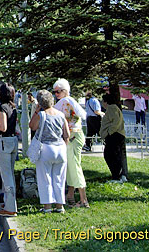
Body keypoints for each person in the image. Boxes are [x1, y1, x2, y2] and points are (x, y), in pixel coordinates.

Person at [29, 90, 70, 213]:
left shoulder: (41, 115)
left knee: (44, 178)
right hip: (60, 148)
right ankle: (60, 206)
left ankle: (47, 206)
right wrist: (64, 146)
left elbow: (32, 126)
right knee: (59, 178)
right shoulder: (60, 114)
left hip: (46, 148)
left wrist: (37, 110)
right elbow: (66, 134)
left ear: (40, 103)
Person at [53, 78, 89, 208]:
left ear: (65, 91)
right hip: (75, 136)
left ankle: (83, 199)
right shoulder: (70, 101)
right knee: (71, 166)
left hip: (72, 137)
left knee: (74, 167)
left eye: (58, 91)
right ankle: (71, 195)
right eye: (55, 92)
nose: (56, 94)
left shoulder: (65, 102)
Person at [0, 83, 19, 217]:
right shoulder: (13, 107)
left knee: (5, 175)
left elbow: (3, 127)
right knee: (10, 173)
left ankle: (11, 207)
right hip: (13, 141)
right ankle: (9, 202)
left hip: (4, 141)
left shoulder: (2, 108)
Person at [100, 94, 128, 183]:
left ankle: (116, 177)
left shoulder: (112, 108)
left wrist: (109, 132)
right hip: (116, 135)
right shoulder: (113, 108)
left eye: (102, 101)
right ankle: (120, 175)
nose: (101, 103)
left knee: (110, 155)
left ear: (106, 101)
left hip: (114, 135)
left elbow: (116, 121)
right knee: (116, 155)